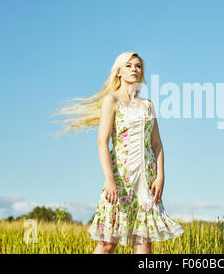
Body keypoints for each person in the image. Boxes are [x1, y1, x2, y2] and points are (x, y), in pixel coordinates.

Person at [51, 51, 184, 254]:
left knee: (143, 242)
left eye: (138, 66)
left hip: (146, 181)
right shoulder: (112, 101)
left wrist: (161, 176)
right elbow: (101, 142)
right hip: (120, 178)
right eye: (129, 66)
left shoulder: (148, 106)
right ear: (119, 72)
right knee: (107, 242)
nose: (134, 69)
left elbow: (157, 144)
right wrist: (109, 180)